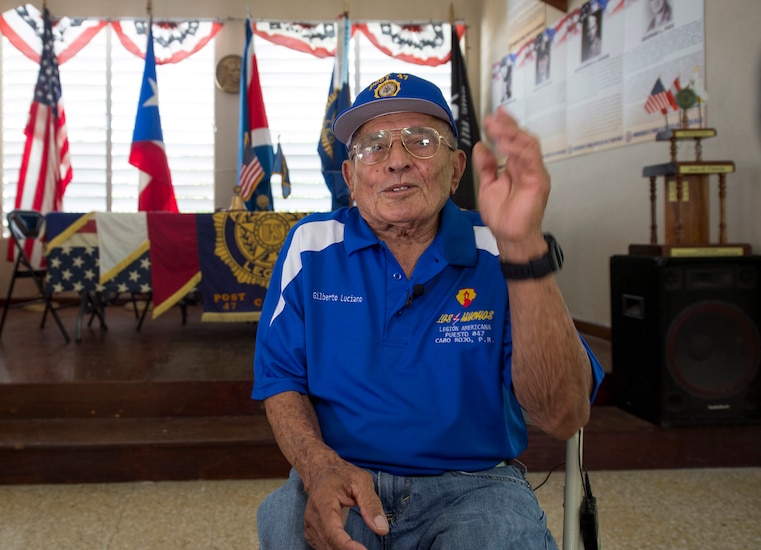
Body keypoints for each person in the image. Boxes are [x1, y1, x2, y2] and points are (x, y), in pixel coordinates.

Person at [252, 73, 605, 549]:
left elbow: (562, 416)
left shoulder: (501, 250)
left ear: (456, 169)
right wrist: (319, 468)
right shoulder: (309, 246)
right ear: (351, 177)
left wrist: (523, 247)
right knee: (288, 522)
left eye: (420, 141)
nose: (397, 160)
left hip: (475, 484)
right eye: (374, 147)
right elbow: (282, 382)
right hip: (344, 475)